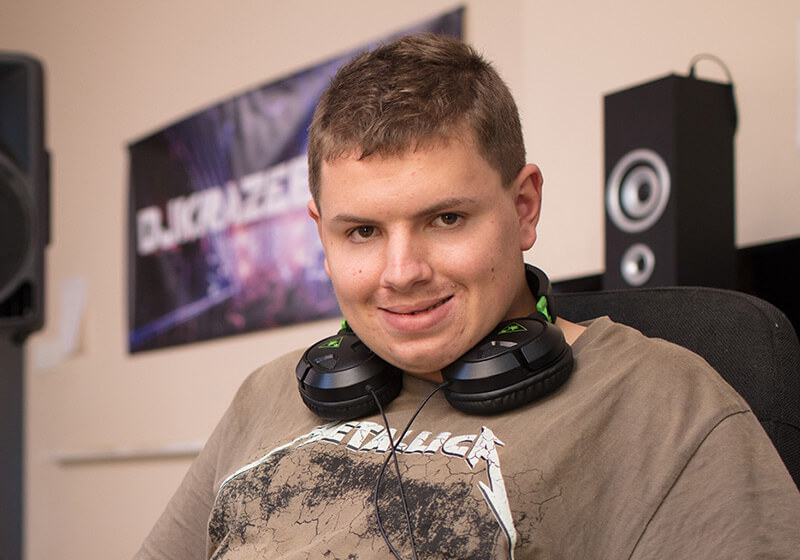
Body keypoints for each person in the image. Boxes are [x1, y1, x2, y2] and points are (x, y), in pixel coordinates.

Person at [134, 34, 800, 559]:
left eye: (445, 219)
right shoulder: (265, 394)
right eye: (362, 231)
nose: (401, 272)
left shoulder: (665, 404)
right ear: (322, 235)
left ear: (524, 206)